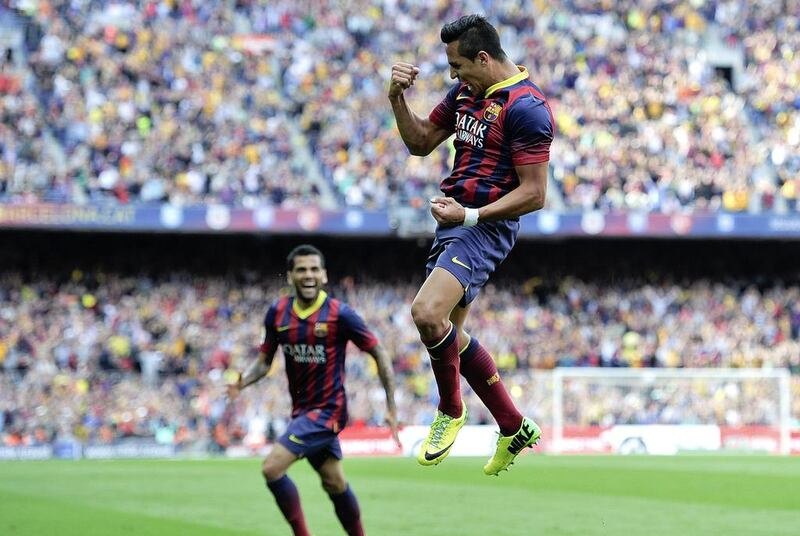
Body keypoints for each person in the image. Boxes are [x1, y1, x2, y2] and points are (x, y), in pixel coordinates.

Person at [387, 14, 554, 475]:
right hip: (454, 223)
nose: (453, 75)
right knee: (450, 336)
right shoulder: (465, 93)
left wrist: (472, 215)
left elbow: (535, 194)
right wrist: (396, 98)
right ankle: (513, 424)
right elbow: (421, 142)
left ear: (484, 57)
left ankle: (450, 409)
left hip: (485, 225)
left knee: (425, 313)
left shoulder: (527, 106)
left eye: (458, 65)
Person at [227, 244, 399, 536]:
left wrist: (391, 408)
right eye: (301, 270)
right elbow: (264, 362)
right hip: (302, 411)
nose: (308, 275)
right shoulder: (277, 312)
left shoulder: (339, 314)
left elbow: (379, 352)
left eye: (314, 269)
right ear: (290, 276)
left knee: (272, 468)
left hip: (329, 411)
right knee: (334, 482)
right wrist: (243, 382)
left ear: (324, 276)